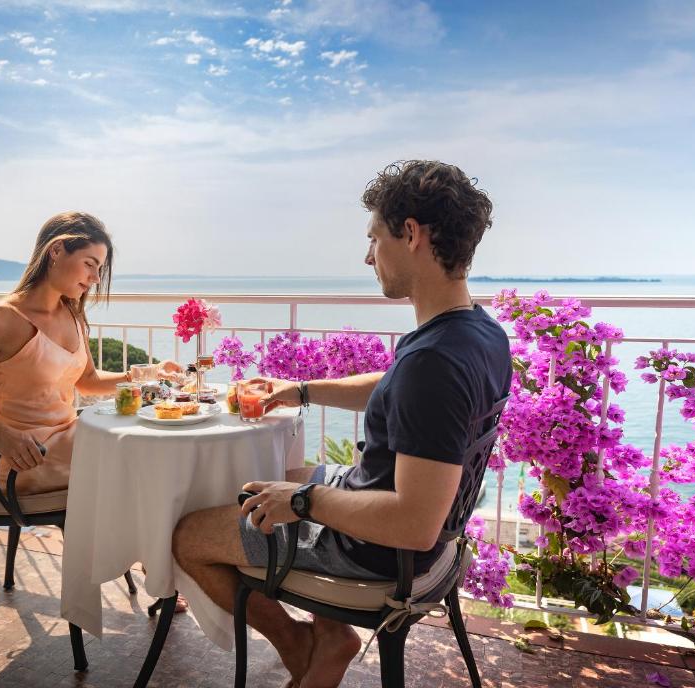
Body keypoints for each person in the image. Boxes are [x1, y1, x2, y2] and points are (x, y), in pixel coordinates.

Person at [172, 161, 512, 687]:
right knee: (295, 469)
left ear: (412, 234)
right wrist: (300, 390)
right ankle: (330, 638)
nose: (368, 256)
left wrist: (303, 502)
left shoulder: (435, 361)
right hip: (420, 540)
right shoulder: (477, 332)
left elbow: (414, 522)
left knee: (189, 535)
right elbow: (395, 384)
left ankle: (301, 644)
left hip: (378, 550)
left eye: (374, 239)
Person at [0, 211, 183, 496]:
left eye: (99, 268)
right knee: (141, 455)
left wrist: (145, 374)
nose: (96, 278)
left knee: (148, 440)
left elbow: (88, 380)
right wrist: (0, 435)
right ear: (56, 250)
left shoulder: (72, 314)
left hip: (65, 440)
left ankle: (128, 538)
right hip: (22, 456)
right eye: (90, 264)